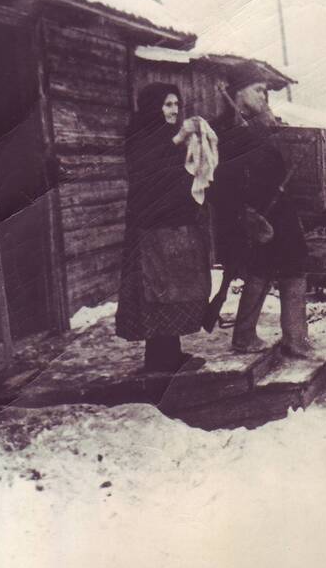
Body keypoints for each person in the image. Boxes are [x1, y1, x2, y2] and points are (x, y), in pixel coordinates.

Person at [212, 63, 311, 357]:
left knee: (293, 267)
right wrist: (243, 214)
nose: (264, 96)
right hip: (253, 214)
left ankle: (294, 339)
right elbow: (221, 178)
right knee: (260, 269)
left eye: (266, 91)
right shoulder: (224, 129)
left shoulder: (263, 123)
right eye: (258, 90)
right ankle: (246, 337)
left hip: (279, 208)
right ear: (238, 92)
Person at [115, 83, 211, 373]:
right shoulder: (138, 137)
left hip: (171, 226)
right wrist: (180, 137)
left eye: (176, 105)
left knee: (171, 292)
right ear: (153, 106)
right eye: (168, 104)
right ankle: (158, 361)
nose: (174, 110)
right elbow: (148, 167)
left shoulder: (170, 138)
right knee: (154, 293)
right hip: (149, 231)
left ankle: (171, 355)